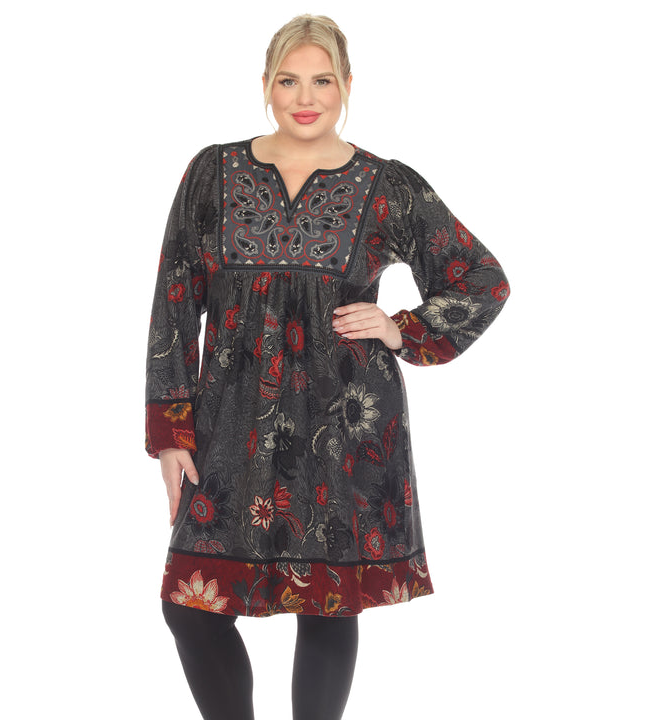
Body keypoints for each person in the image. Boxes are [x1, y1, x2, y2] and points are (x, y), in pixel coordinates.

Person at [145, 14, 509, 720]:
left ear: (346, 85)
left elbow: (482, 278)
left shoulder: (385, 184)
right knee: (190, 607)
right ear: (265, 85)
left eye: (322, 81)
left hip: (342, 422)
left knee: (327, 602)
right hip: (229, 425)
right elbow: (174, 301)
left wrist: (401, 329)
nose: (305, 98)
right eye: (289, 81)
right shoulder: (211, 174)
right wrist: (171, 430)